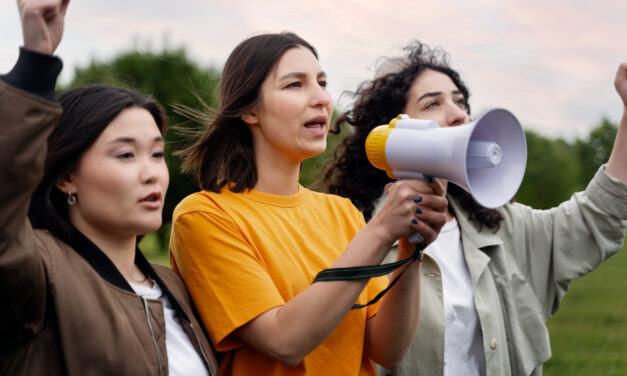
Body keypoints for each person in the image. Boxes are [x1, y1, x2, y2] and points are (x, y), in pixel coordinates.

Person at [323, 40, 627, 376]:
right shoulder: (355, 234)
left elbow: (593, 220)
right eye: (433, 104)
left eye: (460, 101)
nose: (458, 114)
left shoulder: (499, 226)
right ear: (394, 130)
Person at [169, 32, 448, 375]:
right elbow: (284, 342)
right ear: (249, 110)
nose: (321, 98)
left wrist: (410, 247)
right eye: (294, 85)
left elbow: (386, 351)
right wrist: (381, 230)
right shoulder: (205, 215)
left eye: (322, 82)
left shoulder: (341, 212)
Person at [0, 1, 218, 374]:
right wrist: (35, 63)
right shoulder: (38, 272)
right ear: (67, 177)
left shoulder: (174, 286)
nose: (152, 173)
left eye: (155, 153)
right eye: (125, 155)